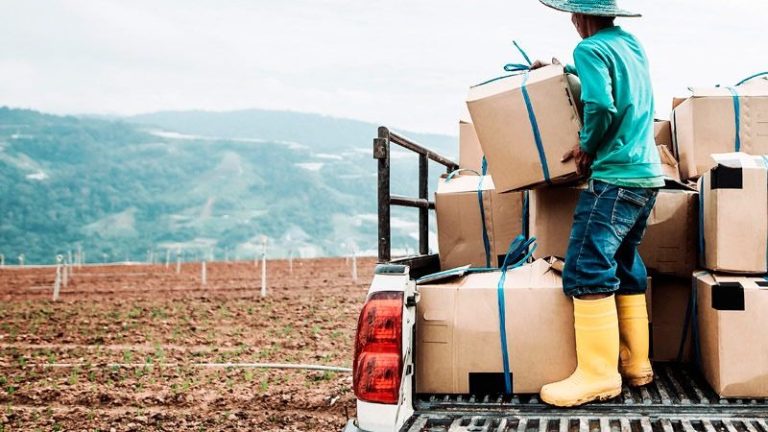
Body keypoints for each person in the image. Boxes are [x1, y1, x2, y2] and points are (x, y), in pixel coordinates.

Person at [531, 0, 664, 407]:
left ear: (580, 16)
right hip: (647, 176)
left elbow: (602, 105)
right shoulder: (630, 44)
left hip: (616, 177)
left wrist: (587, 146)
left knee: (587, 266)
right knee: (623, 261)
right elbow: (621, 87)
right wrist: (567, 72)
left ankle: (599, 375)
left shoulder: (588, 49)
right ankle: (636, 363)